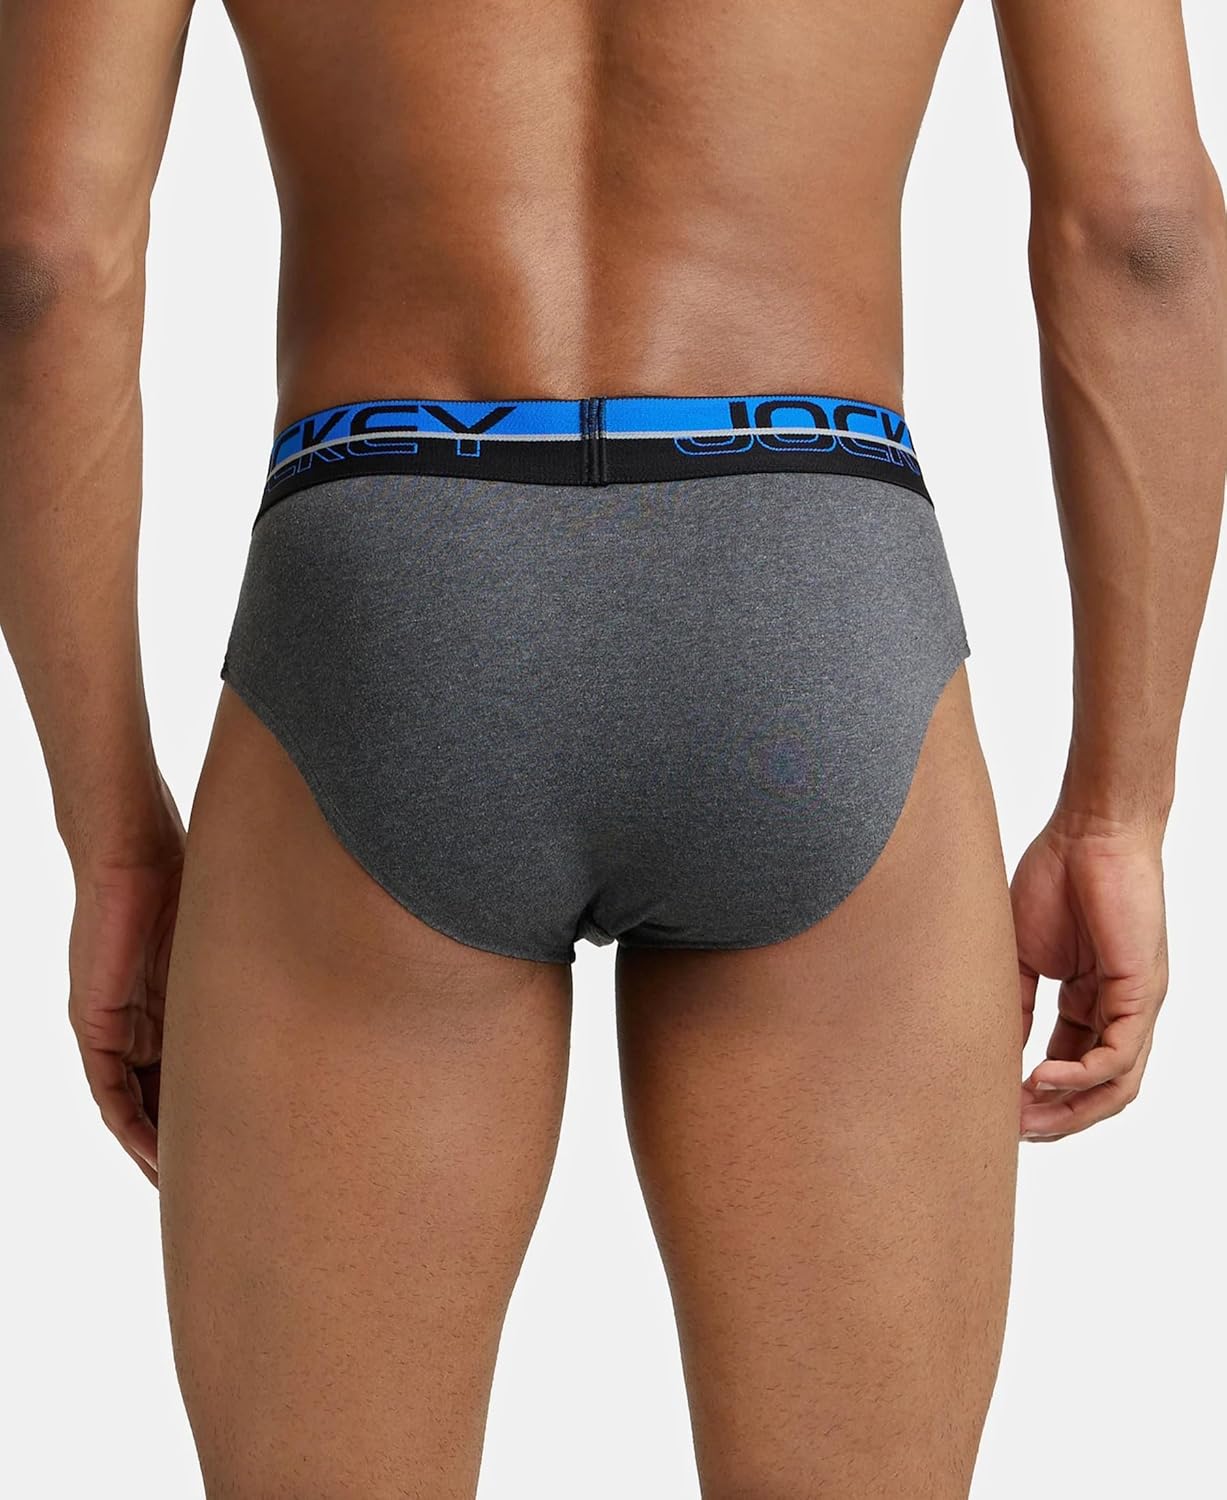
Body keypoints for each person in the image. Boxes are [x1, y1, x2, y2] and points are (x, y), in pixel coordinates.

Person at [1, 0, 1223, 1494]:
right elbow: (1143, 232)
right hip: (807, 590)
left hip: (388, 599)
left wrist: (109, 839)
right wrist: (1118, 809)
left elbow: (41, 261)